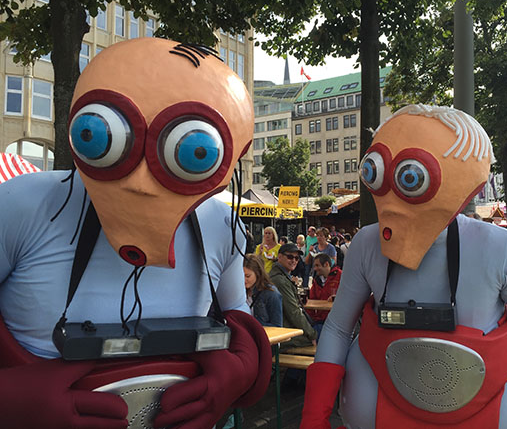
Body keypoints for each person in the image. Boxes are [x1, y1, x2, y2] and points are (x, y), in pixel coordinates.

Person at [0, 38, 271, 429]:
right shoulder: (23, 204)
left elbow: (237, 315)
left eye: (195, 150)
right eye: (99, 133)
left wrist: (235, 373)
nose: (141, 182)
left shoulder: (221, 223)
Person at [300, 104, 507, 429]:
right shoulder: (368, 244)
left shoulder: (499, 245)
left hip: (493, 405)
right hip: (378, 398)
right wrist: (314, 416)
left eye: (411, 177)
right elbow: (339, 327)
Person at [269, 244, 317, 348]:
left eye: (297, 258)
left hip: (284, 330)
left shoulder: (281, 276)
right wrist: (312, 334)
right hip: (284, 334)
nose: (294, 261)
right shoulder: (280, 280)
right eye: (290, 257)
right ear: (280, 257)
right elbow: (293, 312)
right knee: (324, 335)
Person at [307, 253, 342, 338]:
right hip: (319, 320)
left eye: (317, 265)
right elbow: (312, 300)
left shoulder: (341, 276)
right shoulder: (316, 280)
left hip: (336, 322)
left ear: (326, 264)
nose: (315, 269)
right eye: (314, 266)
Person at [244, 254, 283, 327]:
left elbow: (277, 326)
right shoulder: (239, 291)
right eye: (241, 275)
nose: (244, 279)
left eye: (247, 276)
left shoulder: (271, 294)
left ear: (258, 274)